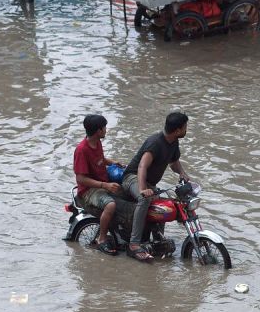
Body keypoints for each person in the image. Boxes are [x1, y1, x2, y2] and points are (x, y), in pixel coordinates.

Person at [122, 112, 193, 262]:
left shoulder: (173, 142)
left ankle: (157, 240)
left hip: (149, 183)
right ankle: (134, 244)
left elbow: (174, 163)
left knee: (164, 205)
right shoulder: (155, 142)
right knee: (144, 200)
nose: (186, 130)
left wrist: (182, 173)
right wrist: (142, 190)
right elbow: (142, 166)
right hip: (133, 178)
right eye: (185, 127)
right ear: (178, 130)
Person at [73, 114, 122, 255]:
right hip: (89, 190)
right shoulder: (82, 150)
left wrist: (112, 162)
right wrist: (104, 186)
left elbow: (100, 159)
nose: (106, 130)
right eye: (104, 127)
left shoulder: (97, 142)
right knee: (111, 205)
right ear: (98, 131)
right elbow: (80, 178)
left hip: (103, 182)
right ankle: (101, 239)